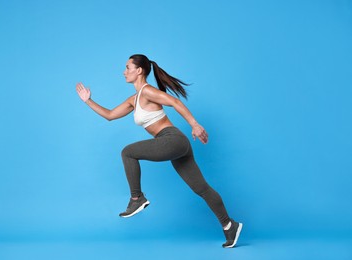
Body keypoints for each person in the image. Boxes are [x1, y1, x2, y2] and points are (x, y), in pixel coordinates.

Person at [76, 54, 242, 248]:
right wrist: (88, 101)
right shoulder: (134, 99)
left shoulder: (147, 91)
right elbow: (110, 115)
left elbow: (175, 102)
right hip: (174, 144)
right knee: (201, 188)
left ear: (139, 70)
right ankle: (229, 225)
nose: (124, 72)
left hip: (172, 140)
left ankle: (137, 198)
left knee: (127, 152)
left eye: (127, 67)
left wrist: (195, 125)